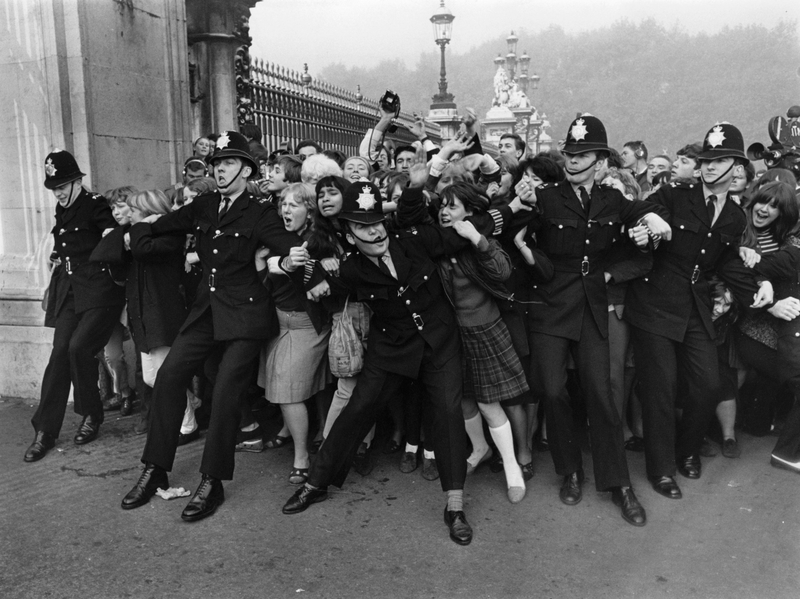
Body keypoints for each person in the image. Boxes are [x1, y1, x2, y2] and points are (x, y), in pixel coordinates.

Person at [120, 131, 321, 522]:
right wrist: (136, 231)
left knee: (227, 391)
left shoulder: (261, 211)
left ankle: (212, 481)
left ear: (246, 168)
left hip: (246, 315)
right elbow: (165, 224)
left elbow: (288, 242)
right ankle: (155, 469)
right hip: (206, 311)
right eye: (216, 164)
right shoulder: (207, 203)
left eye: (228, 163)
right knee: (169, 376)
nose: (220, 169)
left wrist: (297, 258)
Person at [282, 172, 484, 546]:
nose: (374, 234)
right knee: (358, 409)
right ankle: (316, 483)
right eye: (363, 228)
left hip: (440, 342)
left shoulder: (415, 241)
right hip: (392, 349)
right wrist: (295, 272)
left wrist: (501, 217)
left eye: (377, 224)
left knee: (447, 412)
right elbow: (317, 292)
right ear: (348, 233)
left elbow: (464, 230)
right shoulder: (351, 269)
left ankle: (454, 506)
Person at [518, 115, 672, 526]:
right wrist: (515, 202)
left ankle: (618, 483)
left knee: (602, 394)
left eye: (583, 154)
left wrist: (645, 228)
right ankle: (570, 471)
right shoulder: (547, 197)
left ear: (601, 161)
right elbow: (512, 232)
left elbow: (641, 242)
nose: (573, 161)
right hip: (551, 304)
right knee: (551, 389)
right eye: (570, 153)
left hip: (591, 305)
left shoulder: (612, 200)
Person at [625, 122, 772, 500]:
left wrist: (761, 287)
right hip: (655, 302)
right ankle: (661, 470)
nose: (709, 167)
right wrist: (650, 219)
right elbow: (637, 207)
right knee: (660, 389)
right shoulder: (676, 193)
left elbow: (726, 265)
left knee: (708, 384)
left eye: (719, 160)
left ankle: (687, 450)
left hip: (695, 307)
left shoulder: (736, 217)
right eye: (706, 159)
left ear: (736, 167)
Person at [25, 150, 125, 462]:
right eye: (55, 187)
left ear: (78, 181)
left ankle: (91, 415)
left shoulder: (95, 204)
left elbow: (113, 237)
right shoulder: (61, 208)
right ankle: (45, 430)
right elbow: (67, 244)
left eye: (64, 185)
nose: (59, 192)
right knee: (59, 352)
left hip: (99, 290)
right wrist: (58, 256)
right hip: (70, 291)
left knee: (79, 348)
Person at [256, 183, 333, 485]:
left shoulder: (317, 241)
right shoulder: (279, 239)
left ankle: (302, 457)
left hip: (306, 324)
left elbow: (319, 284)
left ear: (310, 212)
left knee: (289, 390)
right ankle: (307, 431)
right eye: (283, 205)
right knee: (302, 385)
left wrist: (283, 265)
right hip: (278, 323)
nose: (286, 210)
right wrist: (265, 264)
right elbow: (266, 284)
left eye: (294, 205)